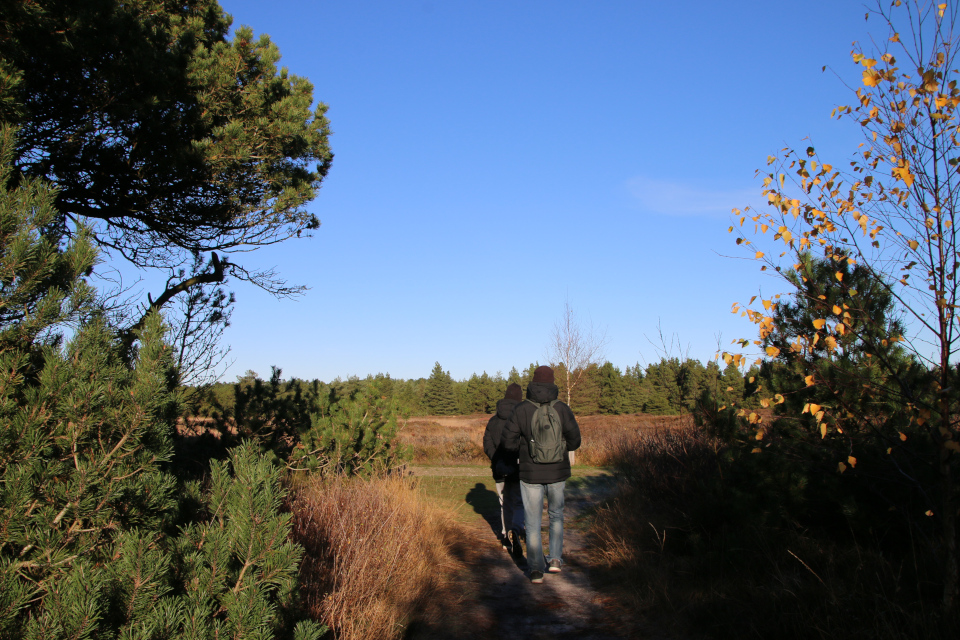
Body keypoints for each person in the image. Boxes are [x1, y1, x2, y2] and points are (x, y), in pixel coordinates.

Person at [503, 365, 581, 584]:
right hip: (557, 472)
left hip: (530, 474)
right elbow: (575, 441)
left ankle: (536, 570)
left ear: (533, 382)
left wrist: (524, 445)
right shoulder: (562, 409)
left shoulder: (522, 409)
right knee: (556, 515)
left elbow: (507, 444)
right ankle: (555, 560)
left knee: (533, 521)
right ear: (552, 382)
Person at [482, 383, 525, 558]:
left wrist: (497, 457)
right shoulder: (522, 418)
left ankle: (506, 535)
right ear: (519, 398)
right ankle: (516, 531)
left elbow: (487, 444)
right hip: (518, 467)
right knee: (519, 502)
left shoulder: (493, 420)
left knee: (503, 503)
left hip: (499, 469)